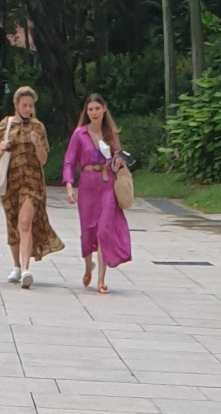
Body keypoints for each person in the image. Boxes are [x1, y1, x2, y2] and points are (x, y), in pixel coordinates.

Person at [0, 86, 64, 289]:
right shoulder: (6, 124)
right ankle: (17, 266)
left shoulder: (38, 127)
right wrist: (1, 149)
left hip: (32, 183)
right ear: (16, 105)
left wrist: (38, 144)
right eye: (25, 105)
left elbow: (44, 159)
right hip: (10, 182)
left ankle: (26, 268)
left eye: (31, 105)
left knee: (25, 223)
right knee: (13, 223)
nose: (28, 109)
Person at [63, 93, 132, 294]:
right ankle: (88, 266)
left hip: (107, 185)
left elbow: (119, 158)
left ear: (104, 109)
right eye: (90, 109)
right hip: (87, 186)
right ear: (87, 112)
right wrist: (69, 185)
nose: (94, 112)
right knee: (87, 233)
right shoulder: (79, 134)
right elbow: (69, 161)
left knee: (103, 232)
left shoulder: (111, 134)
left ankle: (101, 280)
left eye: (97, 108)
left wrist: (119, 161)